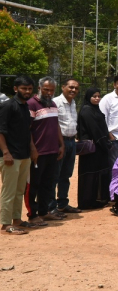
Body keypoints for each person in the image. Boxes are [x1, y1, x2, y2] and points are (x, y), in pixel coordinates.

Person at [26, 77, 65, 226]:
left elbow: (56, 126)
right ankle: (32, 215)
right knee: (33, 185)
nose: (49, 93)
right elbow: (27, 129)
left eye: (51, 90)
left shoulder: (53, 104)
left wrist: (61, 145)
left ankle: (44, 212)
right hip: (38, 153)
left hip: (52, 151)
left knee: (47, 184)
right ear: (39, 88)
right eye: (46, 89)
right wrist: (33, 149)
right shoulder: (31, 104)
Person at [0, 76, 36, 234]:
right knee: (9, 191)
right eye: (24, 88)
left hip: (24, 155)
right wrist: (5, 152)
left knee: (19, 190)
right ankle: (5, 224)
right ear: (15, 89)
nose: (27, 91)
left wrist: (32, 148)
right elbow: (1, 131)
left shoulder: (25, 106)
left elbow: (27, 130)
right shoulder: (8, 106)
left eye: (29, 89)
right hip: (11, 156)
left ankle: (17, 219)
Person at [76, 87, 113, 210]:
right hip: (92, 148)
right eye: (94, 96)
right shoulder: (87, 110)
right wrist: (105, 143)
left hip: (99, 147)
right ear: (88, 97)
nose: (97, 98)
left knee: (98, 174)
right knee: (89, 174)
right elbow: (94, 130)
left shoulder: (95, 109)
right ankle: (86, 202)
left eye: (98, 96)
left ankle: (95, 199)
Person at [52, 77, 80, 214]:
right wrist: (60, 144)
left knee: (66, 174)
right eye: (71, 87)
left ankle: (62, 204)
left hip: (71, 141)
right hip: (59, 142)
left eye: (76, 88)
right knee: (54, 175)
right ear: (63, 87)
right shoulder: (55, 102)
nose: (73, 90)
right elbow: (53, 125)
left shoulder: (73, 103)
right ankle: (51, 207)